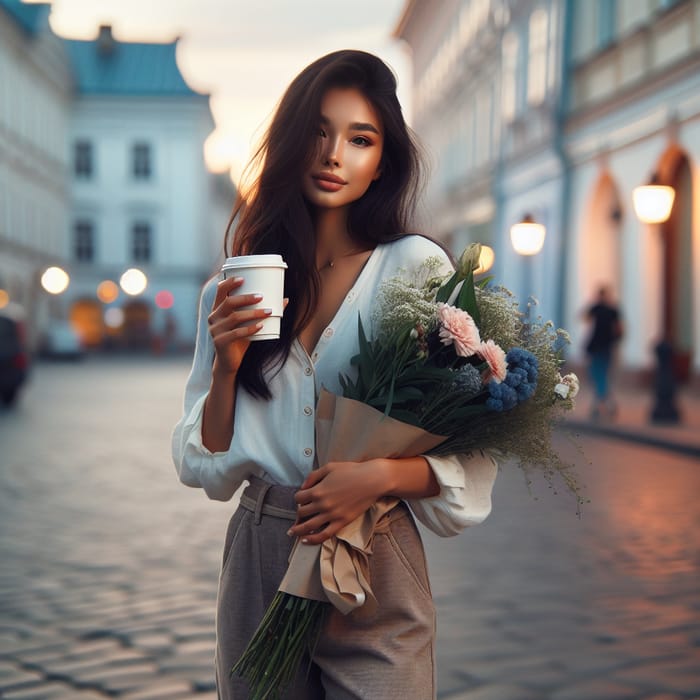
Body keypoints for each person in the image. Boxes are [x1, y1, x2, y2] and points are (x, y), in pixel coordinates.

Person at [172, 50, 498, 700]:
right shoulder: (230, 290)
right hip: (264, 544)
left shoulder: (418, 270)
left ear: (384, 159)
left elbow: (476, 450)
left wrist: (378, 475)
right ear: (292, 143)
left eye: (360, 138)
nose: (333, 154)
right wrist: (229, 363)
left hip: (376, 543)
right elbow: (203, 464)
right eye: (318, 132)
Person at [584, 285, 623, 420]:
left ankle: (601, 405)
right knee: (600, 375)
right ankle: (604, 404)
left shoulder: (598, 309)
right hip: (604, 346)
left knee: (598, 375)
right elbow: (619, 329)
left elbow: (585, 318)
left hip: (598, 347)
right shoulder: (612, 310)